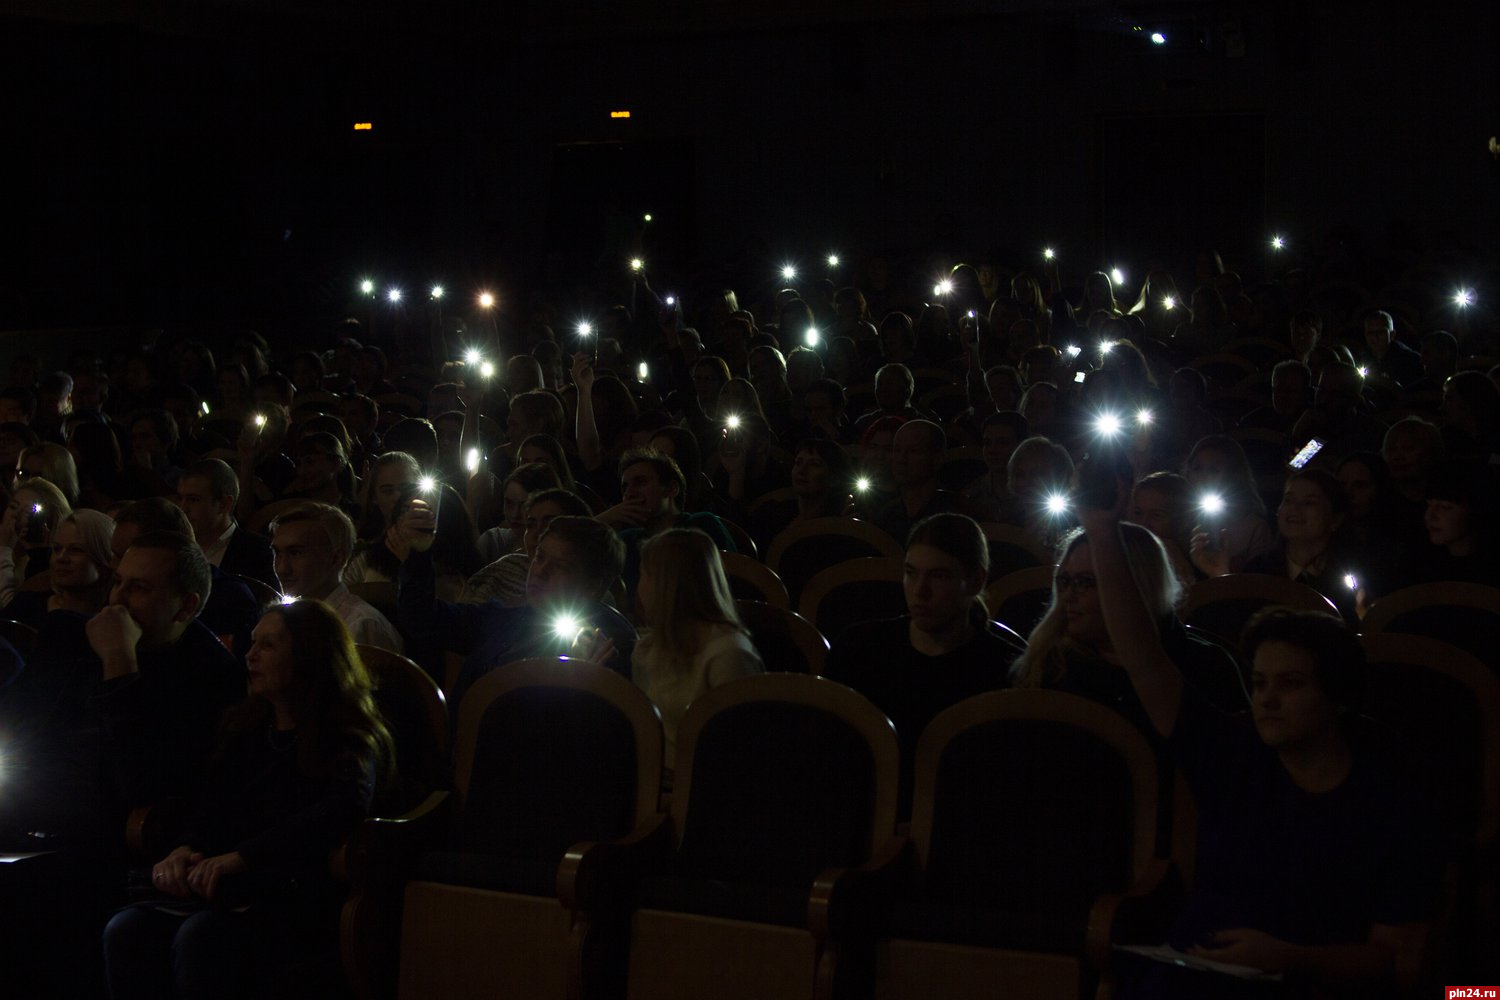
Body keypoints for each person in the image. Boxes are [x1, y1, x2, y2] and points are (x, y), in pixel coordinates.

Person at [1089, 495, 1443, 996]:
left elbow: (1392, 958)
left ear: (1337, 696)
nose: (1268, 700)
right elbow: (1146, 661)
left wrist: (1288, 959)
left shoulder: (1391, 806)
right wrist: (1104, 535)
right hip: (1191, 978)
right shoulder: (1233, 758)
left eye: (1291, 684)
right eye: (1258, 684)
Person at [103, 600, 394, 1000]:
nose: (250, 655)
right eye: (253, 643)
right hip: (228, 886)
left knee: (201, 937)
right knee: (128, 929)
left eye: (269, 646)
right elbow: (209, 803)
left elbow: (341, 809)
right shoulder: (246, 726)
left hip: (294, 888)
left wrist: (243, 856)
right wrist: (185, 848)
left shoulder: (347, 735)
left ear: (308, 655)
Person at [824, 514, 1023, 815]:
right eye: (910, 573)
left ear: (976, 580)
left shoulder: (1005, 667)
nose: (920, 591)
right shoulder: (859, 648)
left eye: (938, 576)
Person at [1011, 524, 1244, 739]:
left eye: (1086, 581)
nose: (1069, 595)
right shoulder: (1051, 666)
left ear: (1138, 584)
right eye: (1064, 581)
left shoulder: (1205, 667)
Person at [398, 513, 636, 715]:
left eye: (560, 566)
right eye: (539, 557)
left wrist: (579, 678)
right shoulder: (502, 617)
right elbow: (423, 619)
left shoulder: (608, 640)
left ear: (592, 585)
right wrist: (419, 554)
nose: (540, 571)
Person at [622, 529, 764, 770]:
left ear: (667, 585)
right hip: (652, 780)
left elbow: (740, 749)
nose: (638, 588)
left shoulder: (728, 654)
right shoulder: (649, 647)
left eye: (644, 576)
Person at [270, 502, 404, 653]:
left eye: (295, 553)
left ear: (335, 559)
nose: (281, 568)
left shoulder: (360, 625)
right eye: (277, 553)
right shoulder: (283, 620)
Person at [460, 488, 592, 606]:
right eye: (530, 525)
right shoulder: (506, 569)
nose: (537, 533)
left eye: (549, 525)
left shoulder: (591, 595)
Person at [0, 508, 114, 628]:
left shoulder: (112, 623)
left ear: (103, 559)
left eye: (76, 550)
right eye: (57, 549)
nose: (61, 558)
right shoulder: (26, 605)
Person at [175, 458, 278, 587]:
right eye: (180, 498)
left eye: (194, 500)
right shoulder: (174, 549)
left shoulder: (259, 553)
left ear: (224, 504)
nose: (183, 508)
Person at [0, 475, 70, 606]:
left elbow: (12, 610)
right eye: (13, 507)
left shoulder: (44, 565)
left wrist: (5, 549)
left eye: (27, 512)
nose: (15, 515)